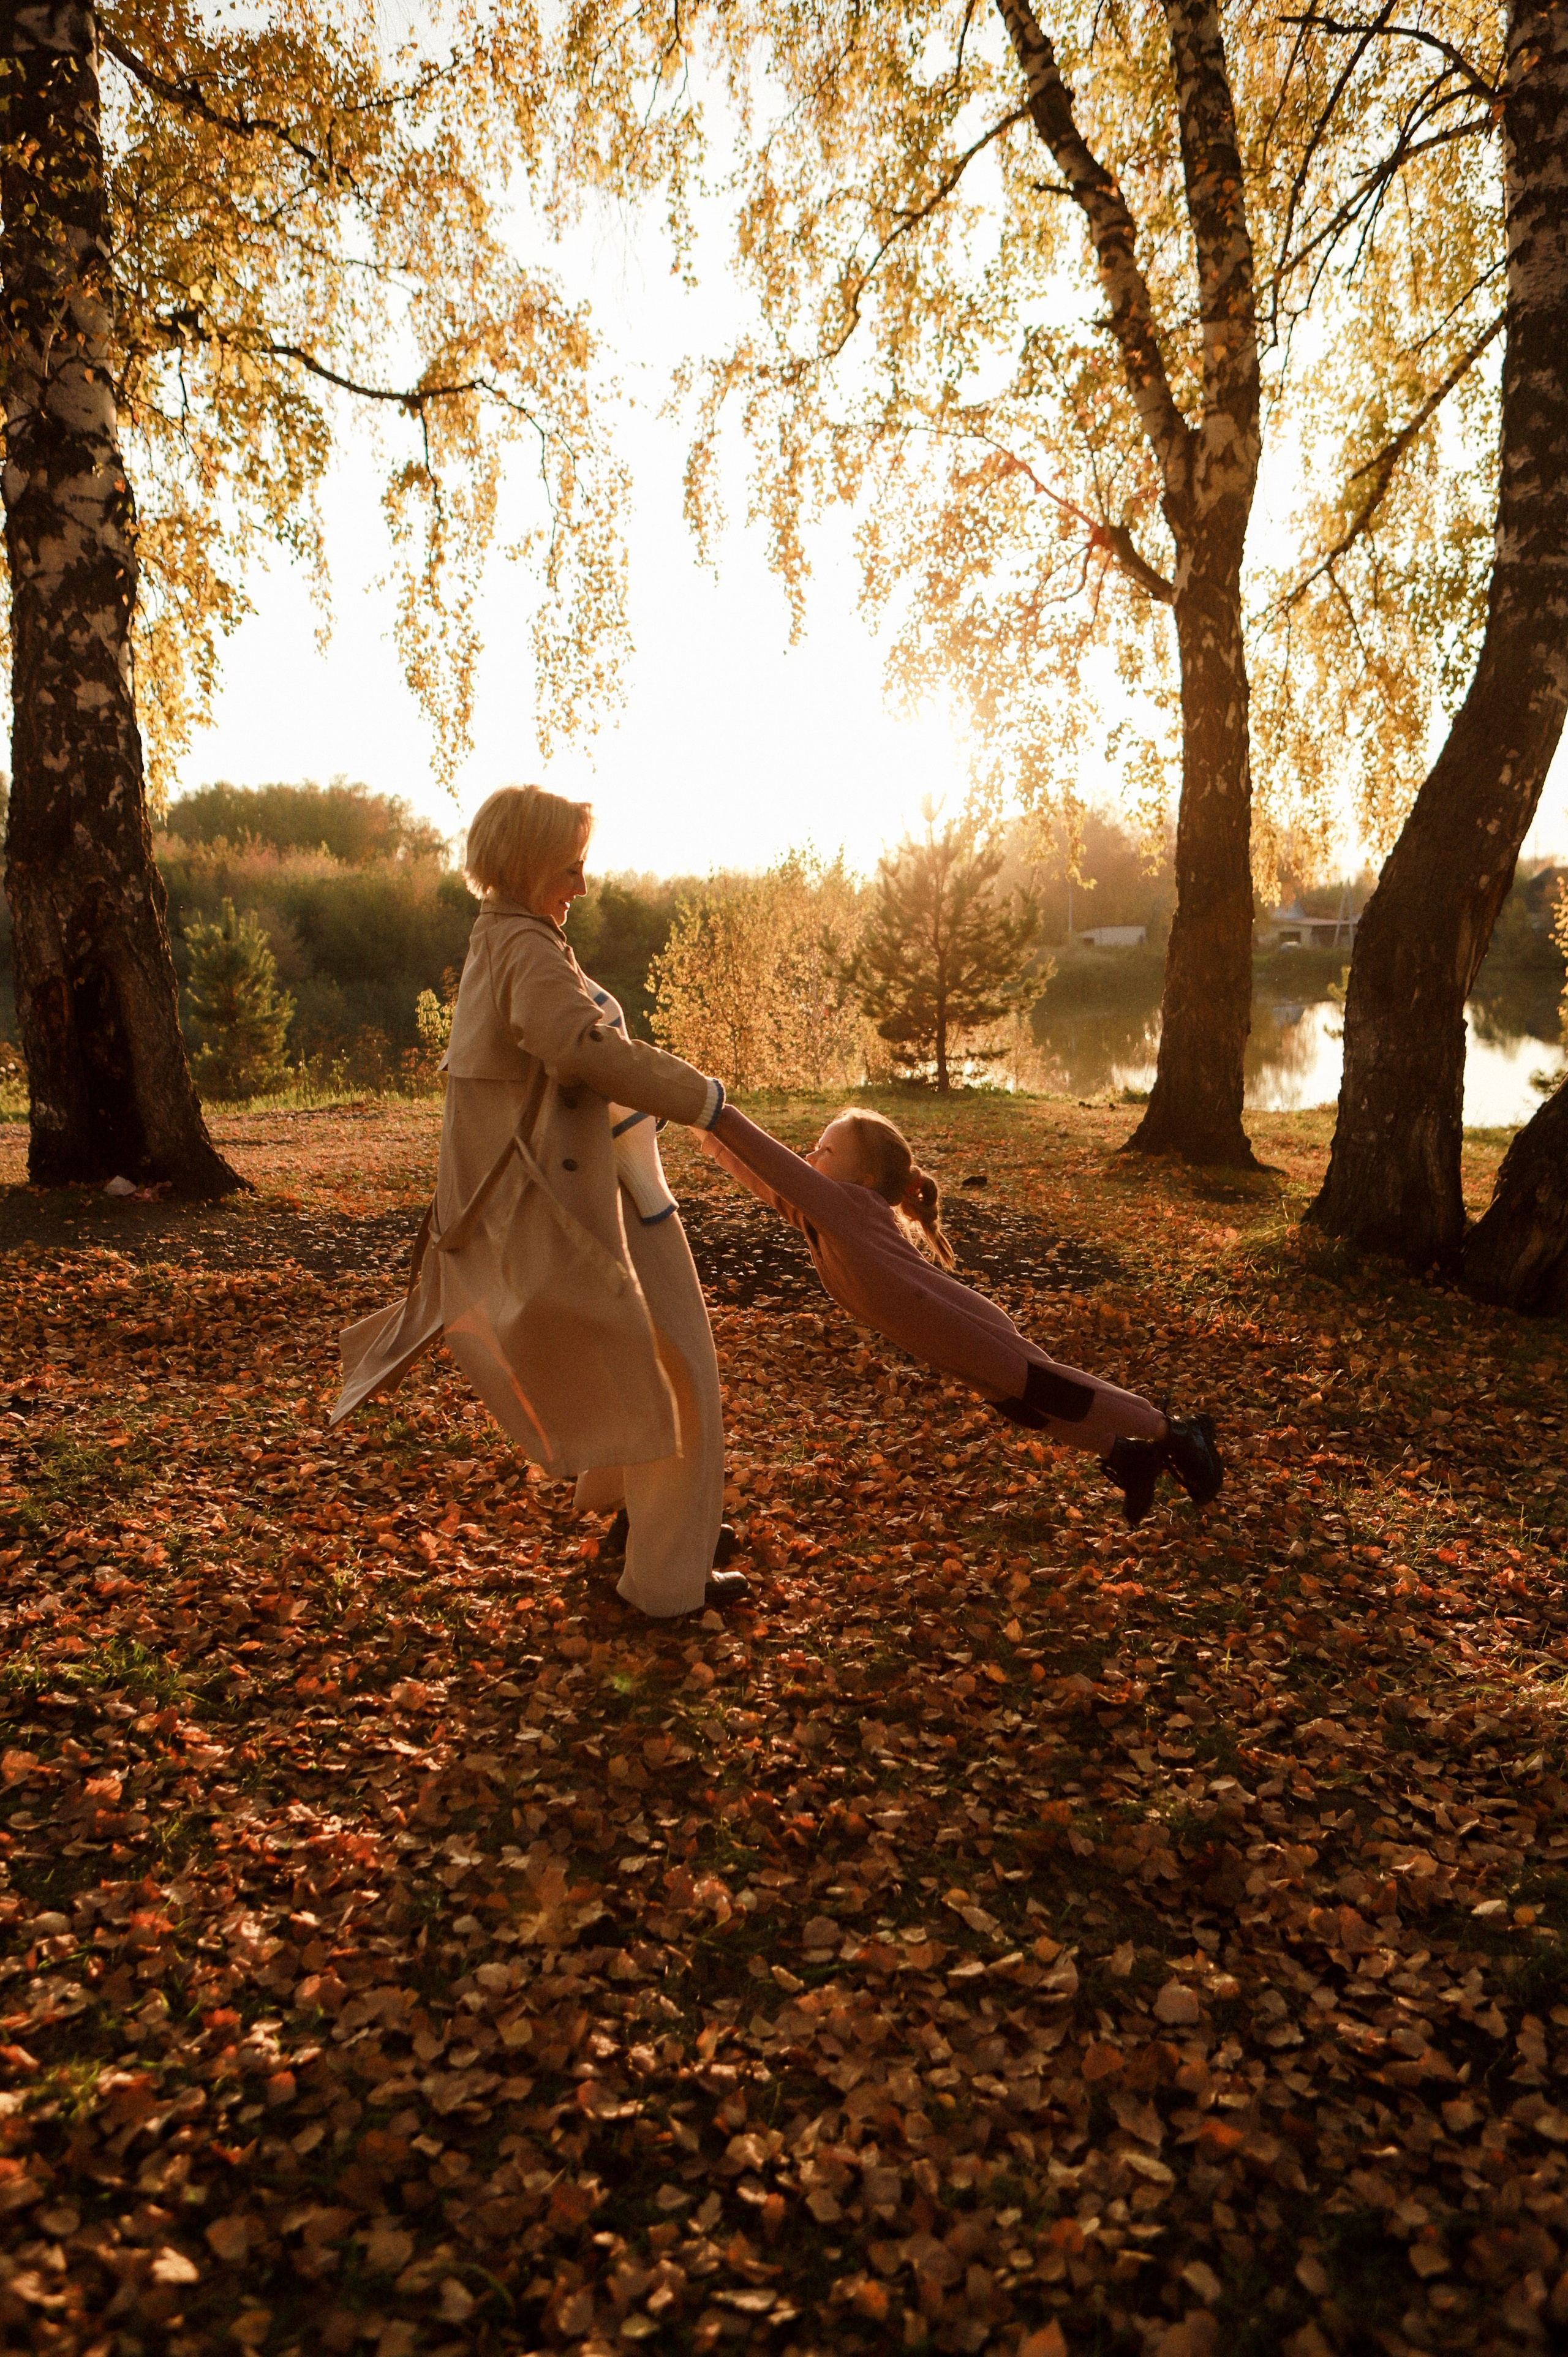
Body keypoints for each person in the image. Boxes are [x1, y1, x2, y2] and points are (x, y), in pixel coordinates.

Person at [332, 783, 747, 1615]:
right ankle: (669, 1583)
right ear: (526, 864)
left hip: (615, 1194)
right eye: (572, 866)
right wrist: (703, 1098)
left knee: (647, 1362)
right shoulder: (524, 947)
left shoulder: (511, 936)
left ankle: (643, 1519)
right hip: (607, 1206)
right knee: (687, 1381)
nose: (584, 886)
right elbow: (579, 1048)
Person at [699, 1103, 1221, 1525]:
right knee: (1020, 1405)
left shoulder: (845, 1205)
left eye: (825, 1150)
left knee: (1046, 1388)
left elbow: (774, 1164)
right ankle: (1127, 1457)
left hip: (958, 1323)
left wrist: (713, 1108)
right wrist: (702, 1130)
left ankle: (1173, 1431)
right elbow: (763, 1180)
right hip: (937, 1336)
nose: (811, 1156)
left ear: (863, 1175)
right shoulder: (822, 1219)